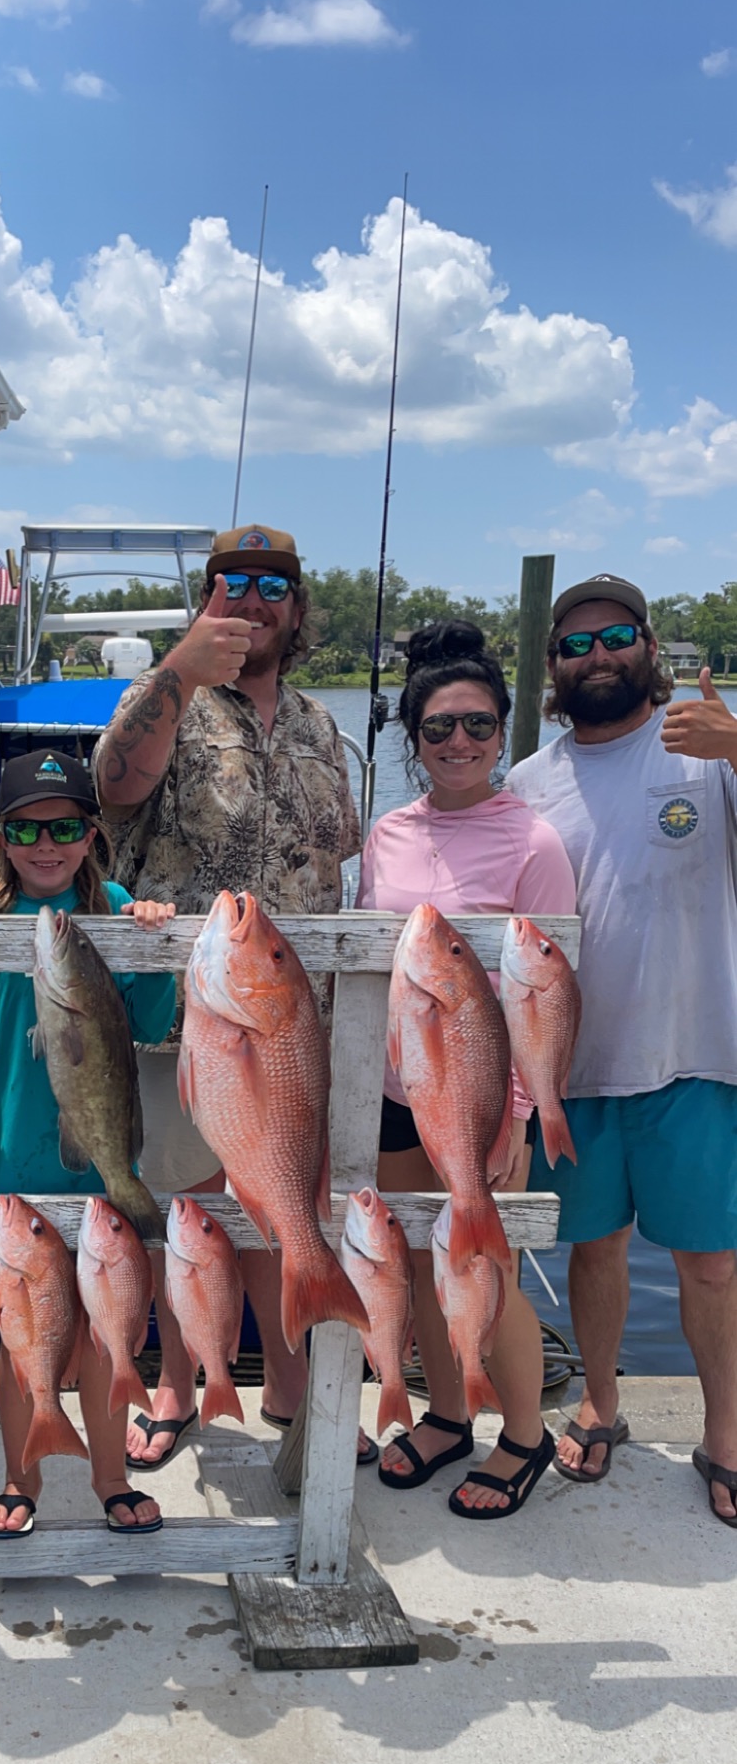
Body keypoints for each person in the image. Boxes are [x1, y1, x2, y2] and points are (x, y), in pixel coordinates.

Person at [94, 524, 360, 1470]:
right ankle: (177, 1382)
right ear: (205, 597)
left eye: (272, 585)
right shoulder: (163, 696)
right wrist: (178, 671)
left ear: (298, 607)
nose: (252, 600)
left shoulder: (322, 725)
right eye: (232, 582)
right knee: (189, 1211)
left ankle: (288, 1384)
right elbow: (113, 785)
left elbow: (339, 854)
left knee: (283, 1205)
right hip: (184, 1020)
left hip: (296, 1026)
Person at [507, 574, 737, 1528]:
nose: (597, 655)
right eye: (575, 644)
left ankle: (726, 1434)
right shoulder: (526, 782)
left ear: (649, 645)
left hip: (696, 1053)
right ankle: (601, 1402)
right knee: (593, 1249)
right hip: (572, 1066)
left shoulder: (707, 750)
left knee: (711, 1263)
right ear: (553, 665)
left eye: (615, 636)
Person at [356, 622, 576, 1516]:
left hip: (483, 1094)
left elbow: (544, 996)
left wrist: (518, 1110)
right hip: (394, 1090)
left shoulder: (534, 844)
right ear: (413, 738)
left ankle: (524, 1434)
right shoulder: (386, 833)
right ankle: (448, 1414)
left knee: (486, 1261)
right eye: (439, 727)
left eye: (478, 725)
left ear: (503, 732)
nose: (459, 742)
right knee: (418, 1256)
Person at [0, 750, 178, 1537]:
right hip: (12, 1161)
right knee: (24, 1339)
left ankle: (111, 1477)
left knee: (108, 1336)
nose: (47, 845)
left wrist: (151, 946)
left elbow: (150, 1024)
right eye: (26, 830)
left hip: (105, 1164)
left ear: (92, 834)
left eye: (66, 828)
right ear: (0, 839)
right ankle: (21, 1478)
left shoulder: (114, 906)